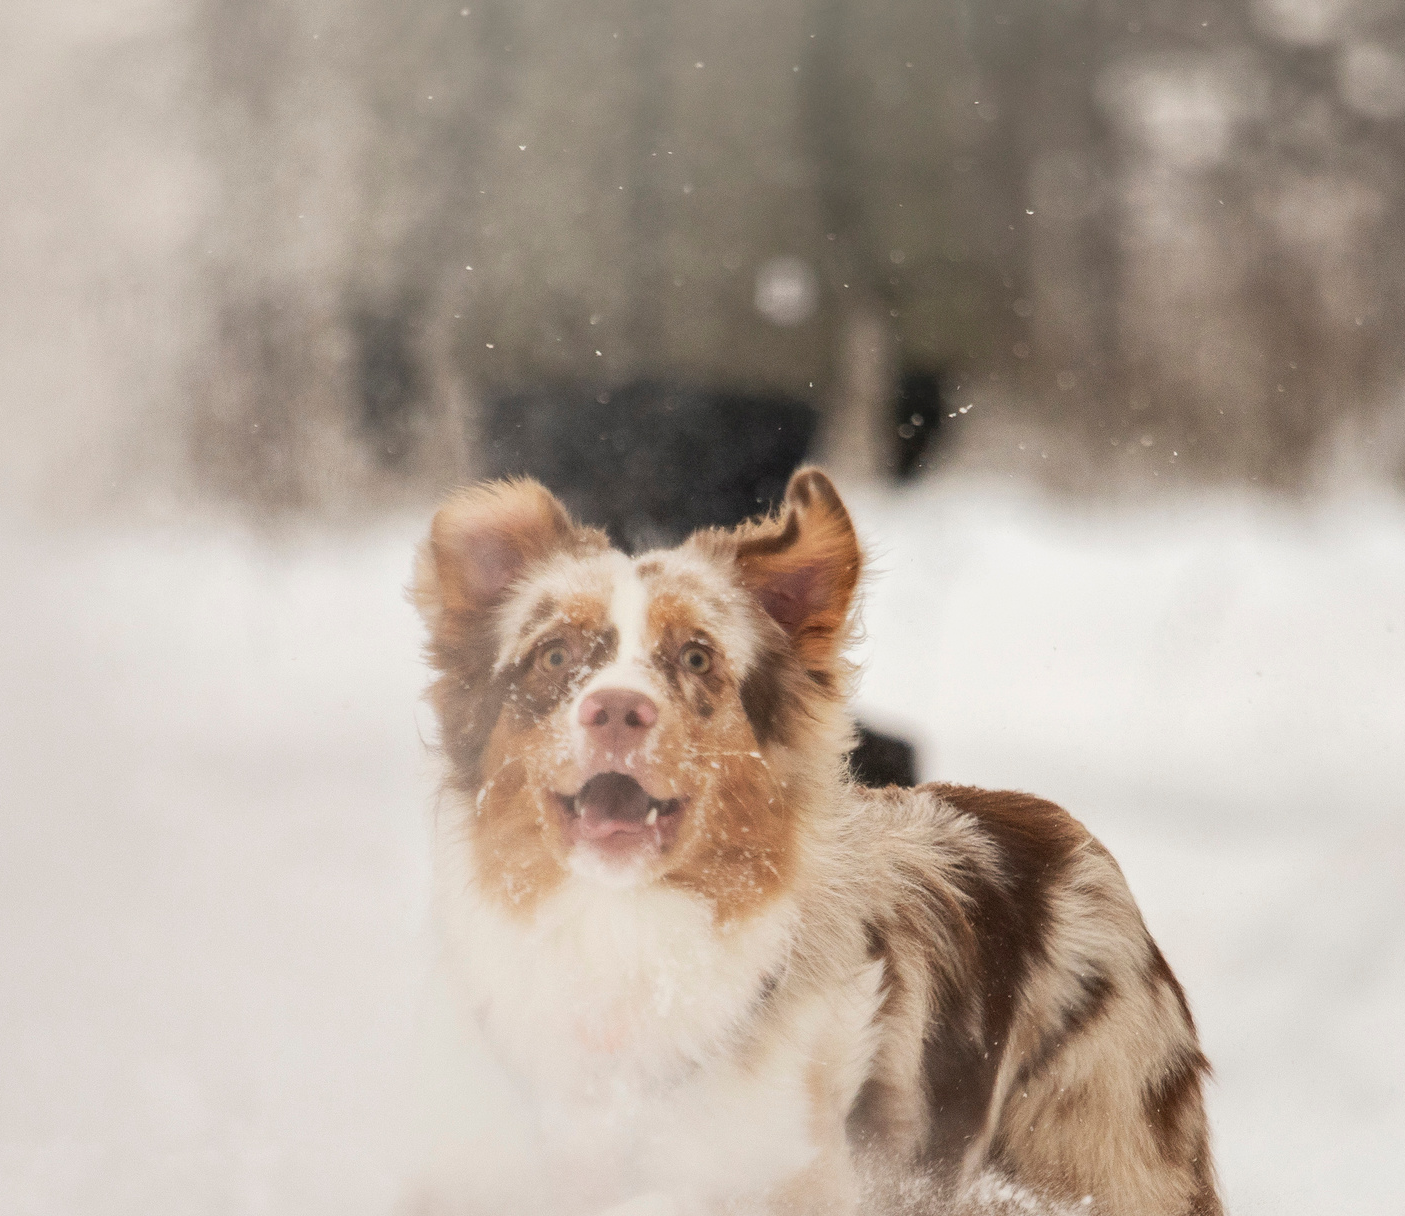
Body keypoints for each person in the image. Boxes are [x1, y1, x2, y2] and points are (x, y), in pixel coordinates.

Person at [345, 0, 1015, 785]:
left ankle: (778, 819)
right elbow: (428, 100)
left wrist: (929, 332)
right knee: (571, 671)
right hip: (574, 343)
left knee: (700, 668)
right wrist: (382, 304)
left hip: (727, 352)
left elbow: (893, 112)